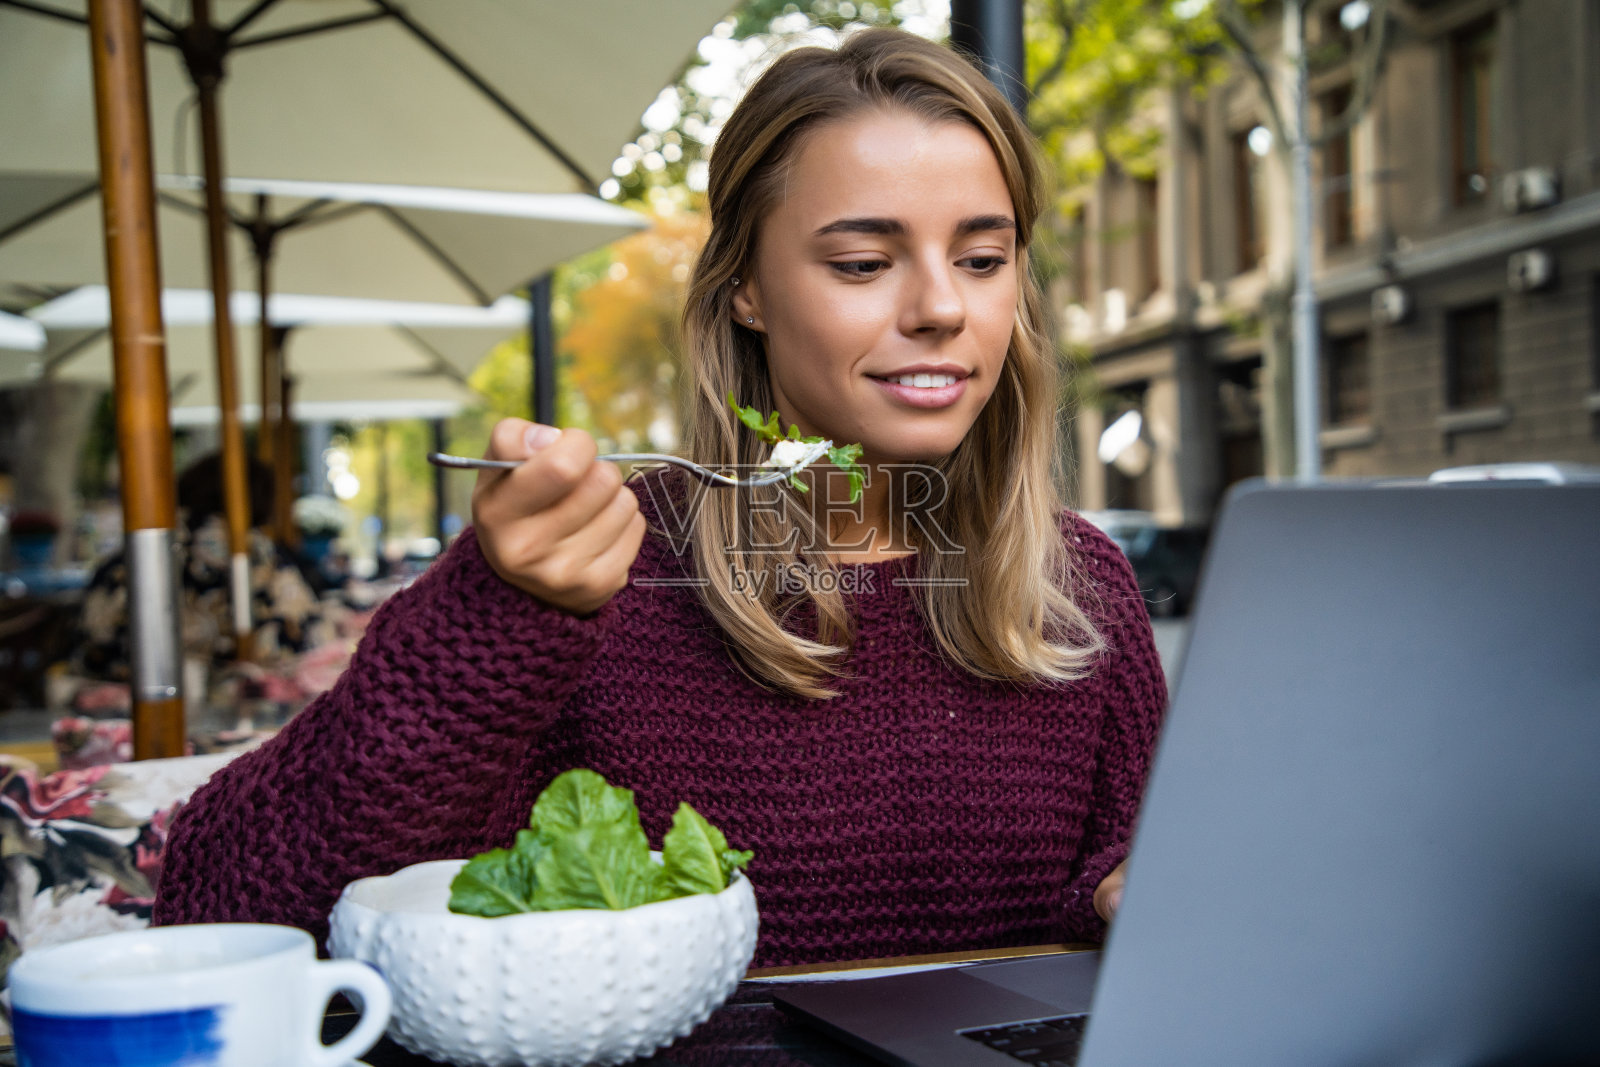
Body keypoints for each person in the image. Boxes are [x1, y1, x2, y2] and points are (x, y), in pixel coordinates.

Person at [154, 29, 1167, 969]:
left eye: (983, 260)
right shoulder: (597, 581)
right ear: (745, 290)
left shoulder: (1084, 585)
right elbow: (221, 906)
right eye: (863, 263)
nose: (943, 306)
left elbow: (1124, 884)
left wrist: (1114, 898)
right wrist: (496, 612)